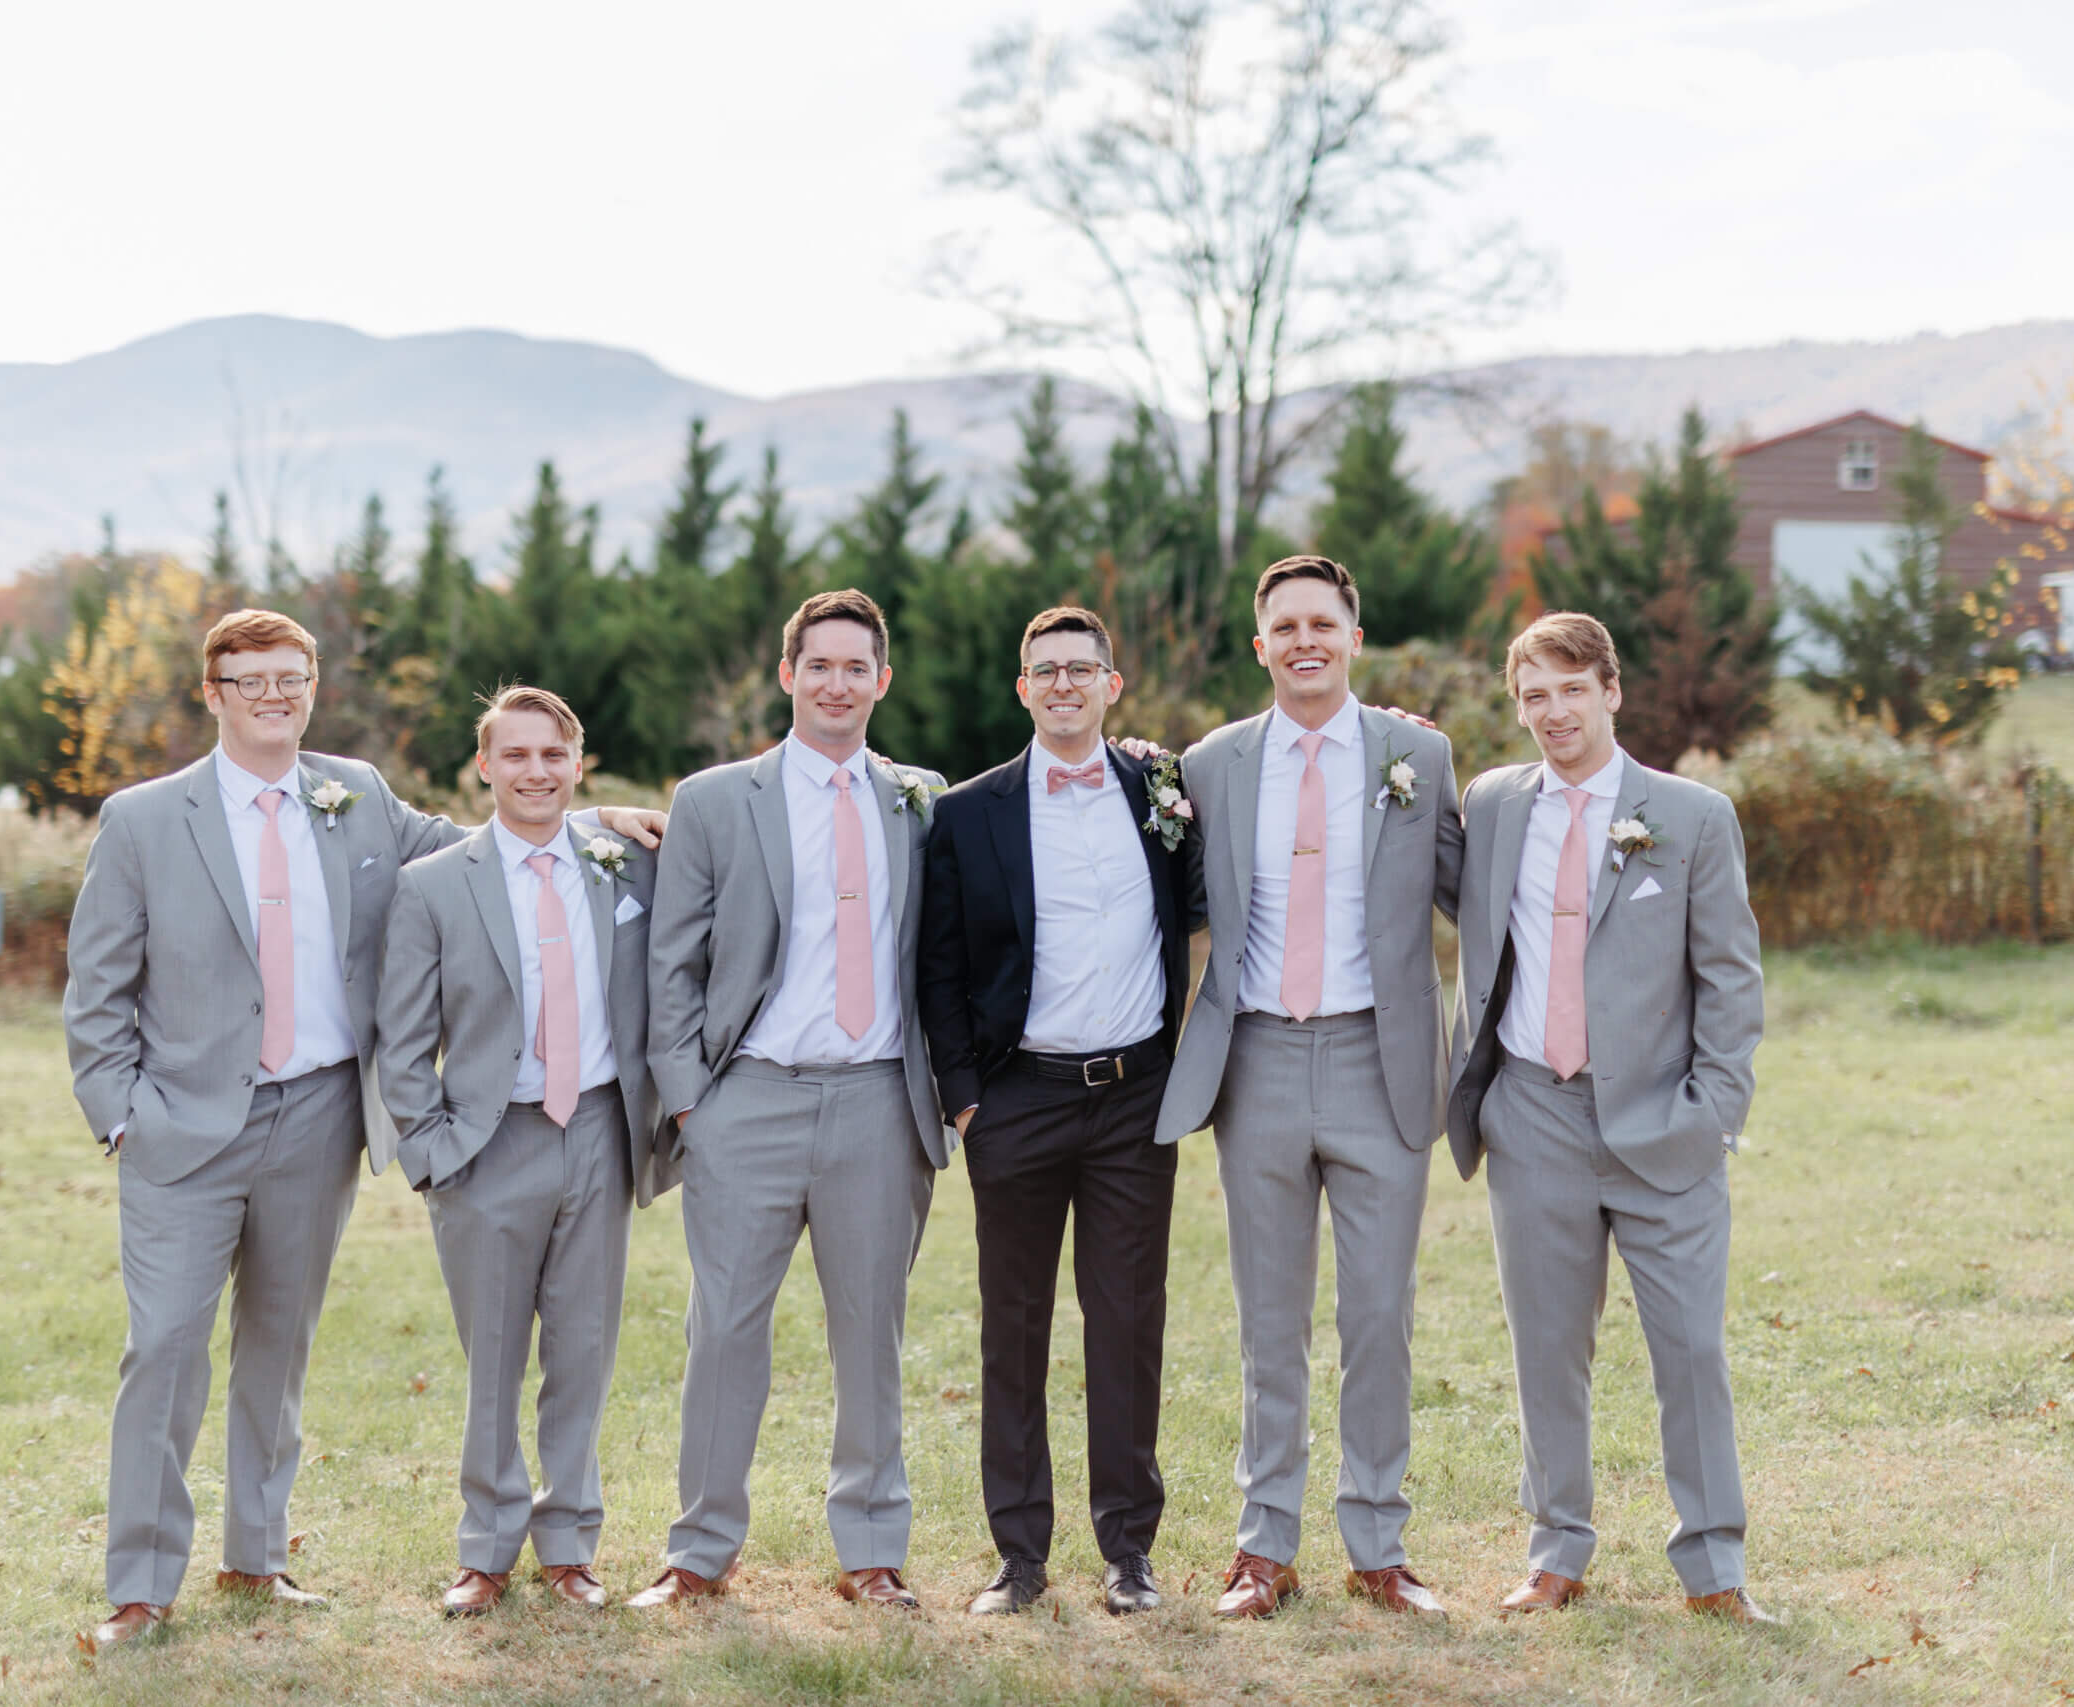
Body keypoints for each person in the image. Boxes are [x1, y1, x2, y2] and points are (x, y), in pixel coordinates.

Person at [61, 609, 662, 1649]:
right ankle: (141, 1585)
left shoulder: (358, 796)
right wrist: (121, 1117)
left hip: (319, 1118)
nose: (272, 695)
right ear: (212, 694)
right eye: (249, 679)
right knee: (163, 1348)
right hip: (182, 1126)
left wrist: (594, 813)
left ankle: (257, 1558)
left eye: (289, 677)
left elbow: (488, 844)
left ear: (312, 688)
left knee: (278, 1347)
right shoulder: (145, 820)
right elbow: (97, 985)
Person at [1444, 610, 1771, 1624]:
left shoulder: (1692, 815)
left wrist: (1712, 1112)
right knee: (1548, 1351)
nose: (1554, 712)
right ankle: (1556, 1553)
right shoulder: (1492, 804)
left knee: (1691, 1352)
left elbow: (1731, 979)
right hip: (1531, 1113)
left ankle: (1713, 1568)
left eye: (1571, 690)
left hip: (1663, 1121)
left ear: (1611, 692)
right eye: (1533, 695)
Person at [1154, 556, 1465, 1619]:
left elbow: (1476, 886)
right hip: (1257, 1064)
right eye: (1284, 627)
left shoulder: (1417, 754)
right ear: (1261, 647)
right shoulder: (1212, 764)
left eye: (1321, 624)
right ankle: (1264, 1548)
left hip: (1383, 1060)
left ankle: (1378, 1544)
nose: (1304, 641)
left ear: (1353, 638)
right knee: (1269, 1320)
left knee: (1379, 1316)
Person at [627, 590, 949, 1611]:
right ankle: (699, 1552)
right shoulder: (716, 799)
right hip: (747, 1101)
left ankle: (872, 1551)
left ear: (881, 680)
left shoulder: (923, 801)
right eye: (819, 665)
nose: (837, 684)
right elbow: (671, 961)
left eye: (856, 667)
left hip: (880, 1104)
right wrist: (693, 1103)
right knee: (723, 1331)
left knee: (870, 1336)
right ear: (788, 675)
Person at [918, 606, 1204, 1617]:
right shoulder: (968, 813)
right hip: (1017, 1102)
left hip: (1134, 1100)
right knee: (1015, 1329)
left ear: (1112, 686)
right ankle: (1019, 1555)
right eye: (1046, 670)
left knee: (1127, 1326)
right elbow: (938, 968)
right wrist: (966, 1101)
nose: (1064, 685)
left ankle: (1129, 1551)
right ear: (1023, 689)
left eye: (1082, 669)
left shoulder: (1163, 791)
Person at [375, 685, 672, 1616]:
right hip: (486, 1140)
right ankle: (486, 1548)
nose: (534, 771)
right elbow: (401, 1038)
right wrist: (433, 1151)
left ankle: (571, 1544)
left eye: (552, 754)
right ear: (484, 766)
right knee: (493, 1359)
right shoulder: (434, 884)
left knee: (583, 1351)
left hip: (599, 1130)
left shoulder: (627, 864)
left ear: (577, 764)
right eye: (515, 754)